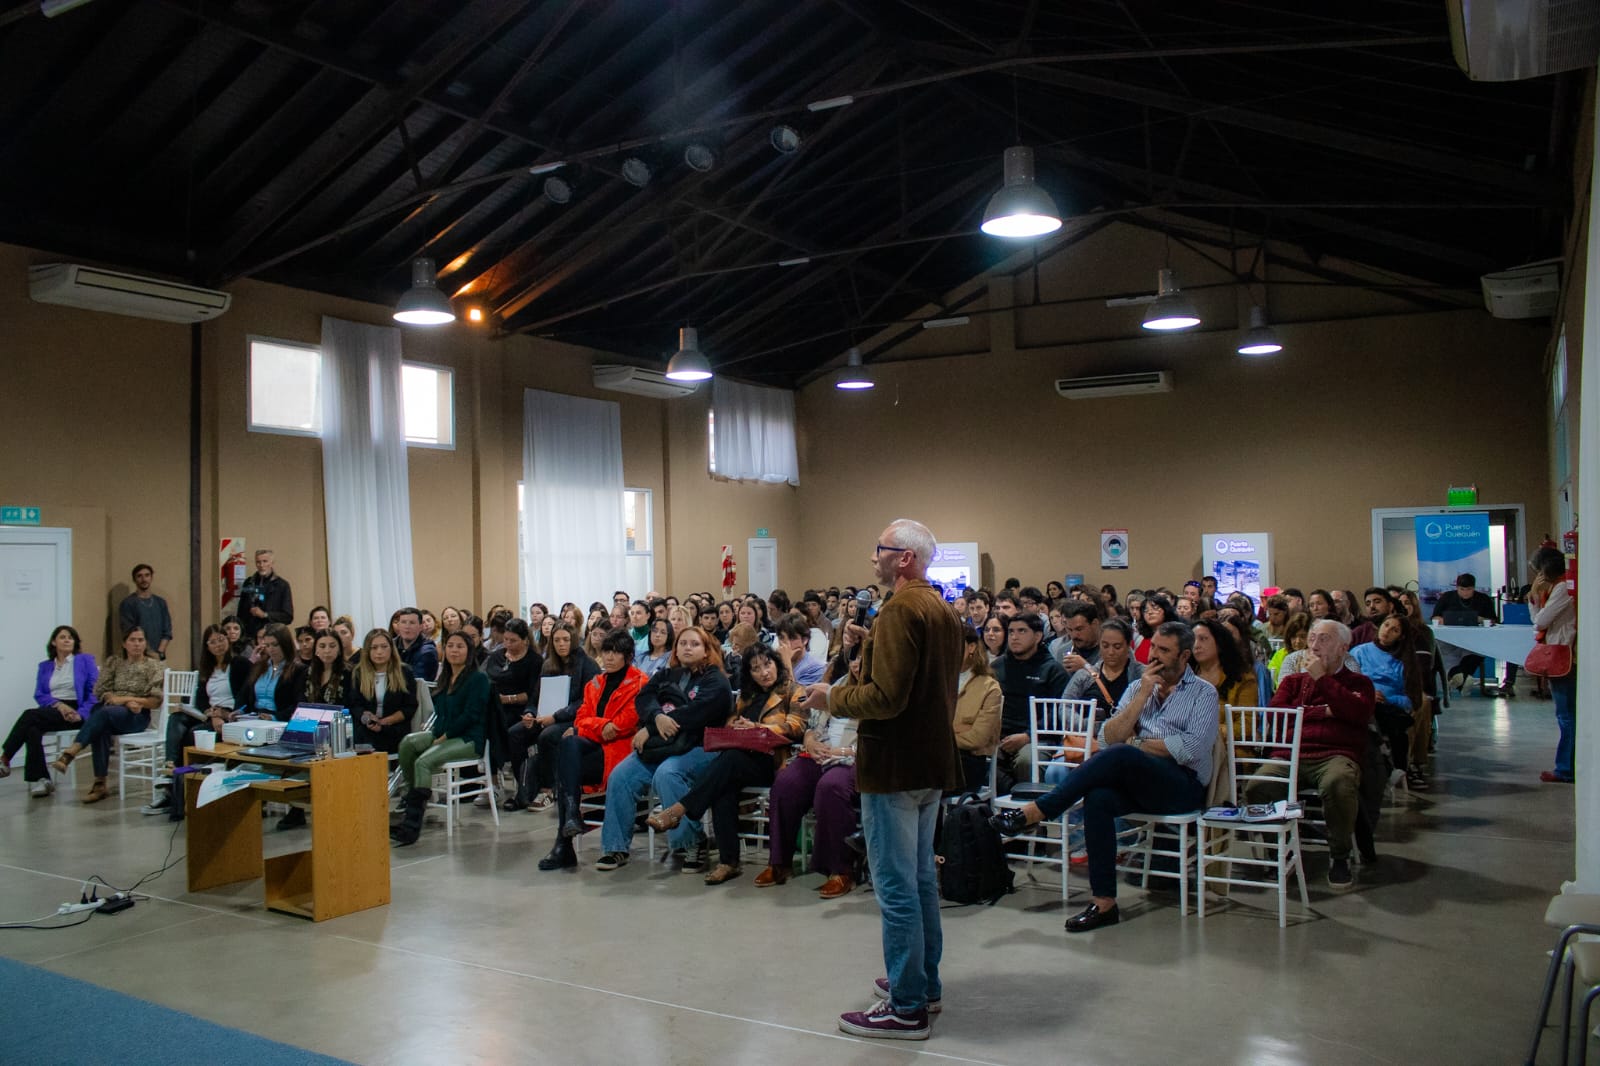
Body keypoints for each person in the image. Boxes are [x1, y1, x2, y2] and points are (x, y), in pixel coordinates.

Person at [798, 519, 964, 1042]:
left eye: (882, 550)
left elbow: (886, 699)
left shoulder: (900, 610)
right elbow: (914, 680)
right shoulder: (938, 608)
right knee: (919, 883)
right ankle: (922, 984)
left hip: (893, 764)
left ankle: (906, 1007)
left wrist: (830, 698)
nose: (874, 557)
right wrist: (872, 644)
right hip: (929, 762)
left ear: (905, 560)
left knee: (895, 888)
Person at [992, 621, 1218, 932]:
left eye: (1164, 651)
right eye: (1153, 648)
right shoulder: (1140, 686)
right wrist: (1141, 700)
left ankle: (1040, 809)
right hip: (1139, 780)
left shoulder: (1204, 693)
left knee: (1123, 754)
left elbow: (1190, 748)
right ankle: (1104, 903)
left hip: (1183, 785)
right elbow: (1110, 735)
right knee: (1098, 799)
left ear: (1184, 656)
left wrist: (1136, 744)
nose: (1155, 656)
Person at [647, 643, 808, 884]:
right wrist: (735, 726)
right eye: (755, 669)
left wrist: (759, 728)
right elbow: (731, 721)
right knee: (724, 786)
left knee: (728, 763)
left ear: (776, 664)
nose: (764, 672)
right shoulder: (747, 695)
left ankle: (680, 809)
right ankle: (728, 862)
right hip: (742, 758)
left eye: (767, 664)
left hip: (773, 761)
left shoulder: (794, 690)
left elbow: (797, 727)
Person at [1245, 619, 1376, 890]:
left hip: (1335, 754)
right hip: (1290, 754)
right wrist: (1326, 711)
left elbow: (1358, 713)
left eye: (1323, 639)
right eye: (1312, 638)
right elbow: (1280, 717)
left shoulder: (1359, 682)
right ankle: (1278, 851)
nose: (1314, 646)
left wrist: (1322, 681)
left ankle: (1339, 856)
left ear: (1343, 647)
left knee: (1337, 784)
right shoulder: (1292, 682)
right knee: (1259, 786)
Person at [595, 626, 734, 873]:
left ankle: (692, 842)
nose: (687, 648)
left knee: (668, 774)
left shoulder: (716, 680)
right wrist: (657, 717)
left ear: (706, 651)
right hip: (663, 747)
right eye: (682, 643)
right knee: (621, 775)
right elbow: (644, 699)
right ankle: (615, 847)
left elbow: (697, 713)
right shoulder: (667, 674)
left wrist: (651, 728)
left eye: (694, 644)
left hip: (701, 747)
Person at [538, 629, 648, 872]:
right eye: (606, 651)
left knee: (568, 759)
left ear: (628, 656)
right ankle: (570, 819)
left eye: (615, 653)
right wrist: (602, 725)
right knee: (568, 745)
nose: (608, 657)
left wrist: (596, 727)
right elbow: (581, 718)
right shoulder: (595, 683)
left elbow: (624, 724)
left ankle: (564, 843)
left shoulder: (640, 683)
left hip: (619, 753)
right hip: (592, 748)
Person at [390, 632, 489, 846]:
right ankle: (412, 797)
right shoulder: (445, 677)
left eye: (460, 646)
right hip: (442, 732)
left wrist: (444, 737)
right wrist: (437, 735)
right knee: (408, 744)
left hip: (468, 739)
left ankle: (412, 825)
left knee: (423, 761)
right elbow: (441, 714)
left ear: (469, 651)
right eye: (450, 646)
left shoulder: (478, 679)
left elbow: (471, 716)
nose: (454, 650)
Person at [143, 624, 251, 817]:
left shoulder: (240, 664)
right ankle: (170, 767)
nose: (218, 645)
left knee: (193, 734)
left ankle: (175, 785)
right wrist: (211, 713)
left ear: (228, 640)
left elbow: (245, 694)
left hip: (231, 715)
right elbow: (201, 699)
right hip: (211, 714)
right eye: (213, 642)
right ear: (207, 646)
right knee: (176, 718)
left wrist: (222, 714)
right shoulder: (206, 669)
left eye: (221, 639)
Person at [51, 626, 165, 803]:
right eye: (132, 640)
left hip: (137, 716)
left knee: (102, 714)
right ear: (124, 643)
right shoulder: (114, 662)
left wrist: (127, 700)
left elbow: (156, 701)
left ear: (145, 643)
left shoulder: (153, 666)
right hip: (112, 712)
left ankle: (73, 752)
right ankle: (100, 784)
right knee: (101, 723)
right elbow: (101, 691)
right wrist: (116, 698)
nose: (137, 644)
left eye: (140, 640)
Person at [507, 623, 598, 811]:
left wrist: (556, 717)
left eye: (565, 639)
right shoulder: (548, 664)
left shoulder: (587, 664)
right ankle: (525, 786)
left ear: (573, 640)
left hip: (572, 718)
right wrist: (530, 713)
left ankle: (548, 789)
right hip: (544, 716)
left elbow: (586, 701)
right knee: (515, 733)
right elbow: (535, 697)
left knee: (547, 736)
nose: (561, 644)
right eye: (556, 640)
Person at [3, 625, 99, 797]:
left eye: (71, 637)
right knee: (32, 730)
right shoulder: (45, 666)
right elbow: (39, 694)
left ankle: (5, 758)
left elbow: (95, 692)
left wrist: (81, 714)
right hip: (53, 708)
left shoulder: (85, 660)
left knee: (29, 716)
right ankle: (43, 780)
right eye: (62, 637)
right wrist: (58, 705)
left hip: (77, 709)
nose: (67, 640)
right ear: (54, 642)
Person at [992, 612, 1070, 793]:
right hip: (1000, 735)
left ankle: (1031, 813)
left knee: (1026, 760)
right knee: (978, 757)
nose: (1014, 637)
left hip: (1039, 738)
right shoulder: (997, 667)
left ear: (1037, 636)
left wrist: (1028, 736)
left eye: (1021, 631)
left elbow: (1058, 712)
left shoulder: (1052, 670)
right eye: (1011, 632)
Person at [1351, 614, 1423, 790]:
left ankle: (1396, 767)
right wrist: (1368, 694)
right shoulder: (1360, 652)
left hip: (1390, 706)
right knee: (1387, 718)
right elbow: (1349, 681)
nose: (1387, 631)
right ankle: (1394, 768)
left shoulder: (1405, 661)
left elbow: (1411, 699)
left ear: (1401, 636)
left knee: (1391, 718)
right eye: (1386, 625)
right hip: (1363, 702)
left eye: (1395, 630)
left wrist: (1387, 698)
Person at [1529, 546, 1576, 783]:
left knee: (1566, 715)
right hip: (1564, 652)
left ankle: (1565, 768)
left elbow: (1539, 621)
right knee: (1567, 714)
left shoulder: (1562, 589)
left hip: (1563, 655)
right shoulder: (1564, 587)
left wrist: (1534, 598)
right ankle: (1567, 766)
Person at [483, 618, 540, 802]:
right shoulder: (497, 656)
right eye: (506, 639)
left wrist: (507, 699)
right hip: (496, 707)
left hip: (521, 709)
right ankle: (492, 785)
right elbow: (487, 679)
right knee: (488, 726)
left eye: (513, 640)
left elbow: (532, 693)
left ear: (525, 640)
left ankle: (522, 786)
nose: (508, 643)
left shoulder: (534, 661)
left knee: (507, 730)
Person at [346, 629, 418, 756]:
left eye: (384, 647)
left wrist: (384, 722)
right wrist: (366, 717)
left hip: (394, 729)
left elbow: (409, 707)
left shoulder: (404, 672)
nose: (379, 652)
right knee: (362, 738)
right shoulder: (358, 673)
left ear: (391, 649)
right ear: (367, 651)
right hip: (367, 729)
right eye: (374, 648)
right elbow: (355, 704)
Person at [952, 626, 1002, 791]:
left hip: (968, 763)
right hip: (936, 756)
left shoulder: (990, 688)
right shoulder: (937, 681)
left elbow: (977, 739)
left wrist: (941, 735)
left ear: (971, 647)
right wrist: (959, 729)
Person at [1062, 619, 1144, 720]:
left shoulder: (1141, 674)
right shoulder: (1084, 675)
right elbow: (1065, 705)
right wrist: (1085, 725)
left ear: (1128, 646)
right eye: (1105, 646)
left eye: (1117, 647)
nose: (1110, 652)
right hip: (1085, 732)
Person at [238, 623, 305, 721]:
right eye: (267, 645)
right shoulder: (258, 666)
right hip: (255, 717)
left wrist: (274, 717)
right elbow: (244, 694)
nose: (271, 649)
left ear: (285, 644)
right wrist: (240, 711)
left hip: (279, 719)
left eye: (275, 645)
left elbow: (298, 705)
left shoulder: (298, 670)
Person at [1191, 618, 1256, 711]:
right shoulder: (1183, 677)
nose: (1196, 645)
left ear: (1219, 643)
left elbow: (1245, 722)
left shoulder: (1243, 679)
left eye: (1203, 639)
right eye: (1192, 639)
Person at [117, 564, 172, 660]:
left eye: (147, 575)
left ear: (151, 578)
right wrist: (148, 653)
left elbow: (167, 631)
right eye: (139, 576)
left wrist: (160, 652)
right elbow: (129, 632)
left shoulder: (160, 602)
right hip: (136, 657)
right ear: (134, 579)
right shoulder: (128, 603)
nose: (144, 579)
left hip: (159, 656)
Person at [238, 549, 294, 642]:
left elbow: (288, 617)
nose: (261, 565)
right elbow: (241, 611)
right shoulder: (248, 583)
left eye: (265, 561)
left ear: (272, 563)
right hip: (250, 637)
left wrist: (265, 615)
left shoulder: (282, 585)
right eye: (258, 562)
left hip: (273, 637)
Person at [776, 611, 826, 684]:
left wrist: (786, 663)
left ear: (804, 640)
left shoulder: (816, 668)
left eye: (792, 638)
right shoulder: (774, 663)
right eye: (781, 638)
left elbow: (795, 694)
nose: (785, 643)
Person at [393, 607, 438, 684]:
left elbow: (414, 682)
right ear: (399, 625)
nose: (407, 627)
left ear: (420, 627)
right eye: (403, 622)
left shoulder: (427, 651)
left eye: (412, 623)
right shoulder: (391, 645)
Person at [1134, 596, 1176, 663]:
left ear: (1165, 610)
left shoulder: (1175, 637)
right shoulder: (1139, 638)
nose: (1150, 612)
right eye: (1146, 610)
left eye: (1155, 608)